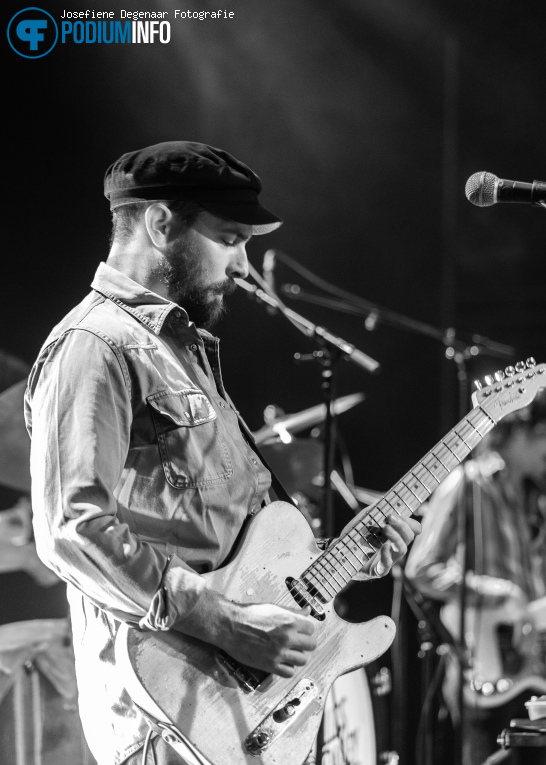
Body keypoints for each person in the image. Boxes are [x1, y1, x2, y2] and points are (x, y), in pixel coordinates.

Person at [24, 141, 421, 765]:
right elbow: (72, 528)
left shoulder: (182, 350)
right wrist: (228, 626)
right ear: (160, 225)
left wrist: (336, 561)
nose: (245, 264)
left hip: (239, 715)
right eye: (231, 238)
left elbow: (223, 543)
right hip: (164, 724)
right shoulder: (95, 344)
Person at [405, 389, 546, 765]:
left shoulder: (534, 500)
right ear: (521, 431)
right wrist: (496, 592)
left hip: (532, 671)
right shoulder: (466, 484)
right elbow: (421, 568)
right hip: (485, 670)